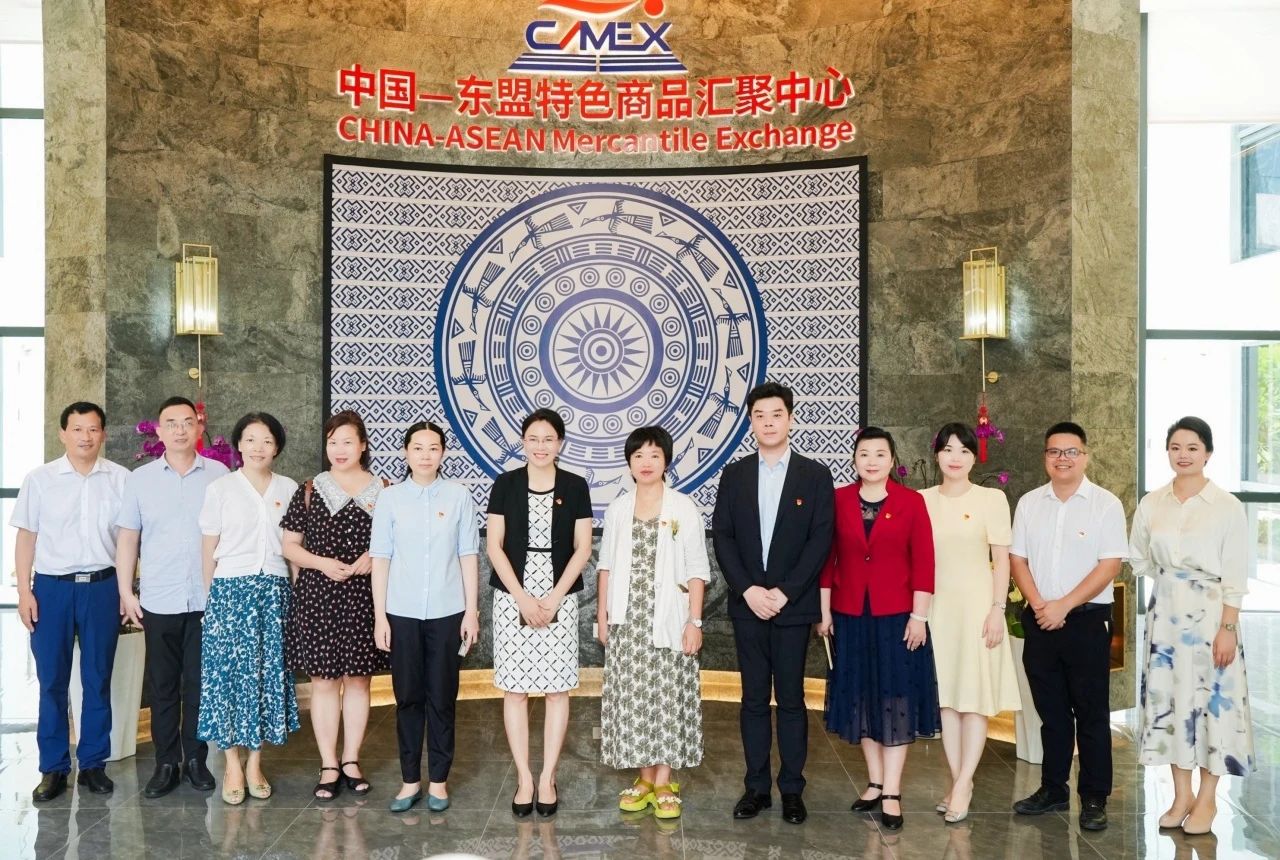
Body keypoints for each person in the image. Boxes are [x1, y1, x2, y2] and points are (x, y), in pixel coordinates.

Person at [712, 381, 834, 825]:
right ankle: (757, 788)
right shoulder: (735, 474)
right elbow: (723, 536)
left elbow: (820, 540)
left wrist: (785, 592)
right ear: (750, 422)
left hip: (792, 607)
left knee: (793, 699)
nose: (768, 422)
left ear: (790, 419)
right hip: (748, 605)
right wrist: (747, 589)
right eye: (759, 416)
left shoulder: (814, 475)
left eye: (776, 414)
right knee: (752, 700)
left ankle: (792, 789)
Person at [1130, 416, 1254, 835]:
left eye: (1192, 447)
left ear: (1208, 454)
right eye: (1175, 447)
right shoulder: (1152, 503)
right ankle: (1181, 795)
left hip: (1213, 617)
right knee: (1172, 704)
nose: (1183, 455)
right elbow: (1139, 557)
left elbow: (1236, 572)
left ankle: (1207, 799)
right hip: (1166, 620)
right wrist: (1171, 581)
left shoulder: (1226, 506)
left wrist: (1228, 628)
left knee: (1213, 704)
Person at [819, 426, 938, 832]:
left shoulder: (911, 502)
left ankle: (892, 791)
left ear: (892, 460)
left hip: (897, 617)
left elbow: (924, 561)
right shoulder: (838, 500)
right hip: (849, 613)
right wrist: (824, 612)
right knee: (860, 697)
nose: (871, 461)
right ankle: (874, 782)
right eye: (864, 454)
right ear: (854, 459)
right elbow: (827, 561)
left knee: (894, 698)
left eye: (880, 454)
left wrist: (919, 616)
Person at [1010, 421, 1127, 832]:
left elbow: (1109, 565)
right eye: (1054, 451)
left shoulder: (1106, 505)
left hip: (1087, 621)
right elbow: (1018, 559)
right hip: (1040, 619)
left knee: (1091, 712)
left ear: (1085, 456)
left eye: (1071, 451)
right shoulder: (1029, 503)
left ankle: (1094, 796)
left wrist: (1064, 605)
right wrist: (1040, 604)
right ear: (1045, 457)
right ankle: (1053, 788)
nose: (1062, 458)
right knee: (1051, 712)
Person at [11, 402, 129, 802]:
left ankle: (93, 764)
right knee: (52, 681)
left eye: (93, 429)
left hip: (102, 587)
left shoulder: (121, 479)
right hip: (52, 589)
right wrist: (24, 592)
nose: (85, 436)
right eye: (77, 429)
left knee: (98, 678)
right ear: (63, 433)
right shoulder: (40, 479)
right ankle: (53, 768)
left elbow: (129, 540)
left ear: (103, 434)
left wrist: (126, 590)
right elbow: (26, 537)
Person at [117, 396, 230, 798]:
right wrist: (126, 591)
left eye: (187, 422)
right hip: (159, 598)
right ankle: (166, 762)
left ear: (199, 428)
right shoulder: (140, 480)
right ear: (159, 430)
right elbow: (128, 538)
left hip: (206, 598)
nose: (180, 429)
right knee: (163, 684)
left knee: (198, 683)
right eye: (171, 422)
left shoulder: (219, 475)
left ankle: (196, 759)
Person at [597, 426, 711, 821]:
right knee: (634, 699)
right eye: (639, 456)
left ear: (666, 460)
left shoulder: (682, 507)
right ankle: (644, 779)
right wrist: (602, 616)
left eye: (654, 455)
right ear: (629, 462)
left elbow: (697, 568)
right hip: (627, 621)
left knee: (667, 698)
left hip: (670, 619)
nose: (646, 463)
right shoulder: (618, 508)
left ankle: (664, 781)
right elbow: (605, 566)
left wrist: (694, 620)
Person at [486, 408, 593, 818]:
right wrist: (522, 598)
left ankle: (547, 777)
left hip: (559, 591)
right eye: (533, 438)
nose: (541, 446)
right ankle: (524, 778)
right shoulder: (506, 484)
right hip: (513, 592)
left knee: (557, 689)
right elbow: (494, 546)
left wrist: (554, 598)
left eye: (549, 439)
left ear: (560, 443)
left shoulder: (575, 485)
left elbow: (583, 547)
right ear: (523, 442)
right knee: (515, 690)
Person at [371, 421, 481, 814]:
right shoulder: (390, 499)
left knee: (442, 698)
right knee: (407, 698)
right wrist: (380, 617)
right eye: (417, 447)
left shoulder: (458, 496)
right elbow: (380, 559)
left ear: (443, 453)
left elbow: (468, 555)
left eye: (433, 448)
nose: (425, 455)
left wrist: (471, 611)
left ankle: (438, 781)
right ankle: (409, 781)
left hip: (448, 612)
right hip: (401, 613)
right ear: (405, 452)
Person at [281, 410, 390, 801]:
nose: (339, 449)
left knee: (359, 681)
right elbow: (289, 545)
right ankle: (328, 763)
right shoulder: (310, 489)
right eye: (332, 442)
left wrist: (374, 557)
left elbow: (400, 542)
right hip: (318, 597)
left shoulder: (385, 490)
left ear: (363, 445)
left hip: (365, 597)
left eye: (347, 441)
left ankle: (351, 760)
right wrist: (322, 562)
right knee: (324, 682)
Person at [196, 412, 300, 805]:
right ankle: (232, 765)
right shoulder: (221, 488)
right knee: (227, 679)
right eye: (251, 439)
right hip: (229, 591)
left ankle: (255, 762)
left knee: (266, 677)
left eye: (267, 441)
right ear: (239, 444)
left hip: (274, 591)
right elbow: (209, 547)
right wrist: (211, 600)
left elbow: (293, 548)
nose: (259, 447)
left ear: (277, 447)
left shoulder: (289, 488)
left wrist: (296, 596)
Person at [921, 422, 1020, 823]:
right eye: (947, 449)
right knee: (947, 699)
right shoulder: (922, 500)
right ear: (937, 455)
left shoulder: (991, 499)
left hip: (979, 607)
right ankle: (958, 780)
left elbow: (1002, 560)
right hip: (936, 608)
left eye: (963, 450)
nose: (955, 457)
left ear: (974, 457)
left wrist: (998, 608)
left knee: (974, 698)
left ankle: (963, 785)